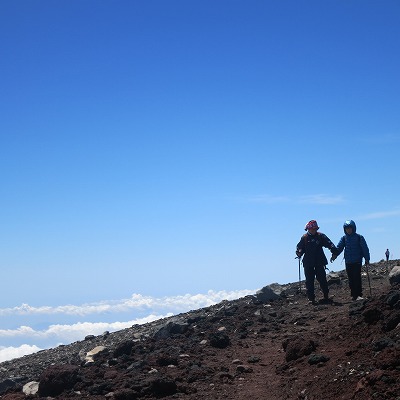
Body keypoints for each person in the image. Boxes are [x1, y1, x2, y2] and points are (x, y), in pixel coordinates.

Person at [296, 220, 338, 304]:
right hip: (308, 263)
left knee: (322, 279)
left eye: (315, 229)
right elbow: (299, 248)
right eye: (312, 229)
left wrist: (334, 252)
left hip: (319, 262)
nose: (313, 230)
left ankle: (326, 296)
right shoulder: (304, 238)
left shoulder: (320, 236)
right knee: (309, 281)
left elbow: (330, 244)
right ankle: (311, 299)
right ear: (308, 229)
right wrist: (299, 253)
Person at [330, 220, 370, 301]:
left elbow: (365, 249)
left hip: (357, 261)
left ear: (353, 228)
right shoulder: (344, 238)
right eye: (347, 228)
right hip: (348, 262)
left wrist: (367, 259)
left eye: (350, 228)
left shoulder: (359, 237)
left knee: (357, 278)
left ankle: (358, 294)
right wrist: (334, 255)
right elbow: (339, 248)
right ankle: (353, 295)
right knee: (351, 279)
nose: (348, 230)